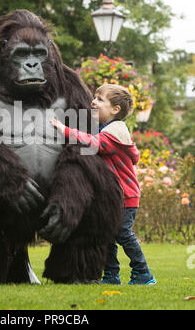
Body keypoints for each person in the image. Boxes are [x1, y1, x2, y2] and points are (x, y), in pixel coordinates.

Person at [51, 83, 156, 285]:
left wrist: (63, 129)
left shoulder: (115, 132)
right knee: (106, 236)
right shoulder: (104, 129)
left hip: (124, 196)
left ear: (116, 109)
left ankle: (143, 273)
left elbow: (93, 144)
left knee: (122, 233)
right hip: (110, 196)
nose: (93, 101)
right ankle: (111, 276)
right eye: (94, 97)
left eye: (100, 99)